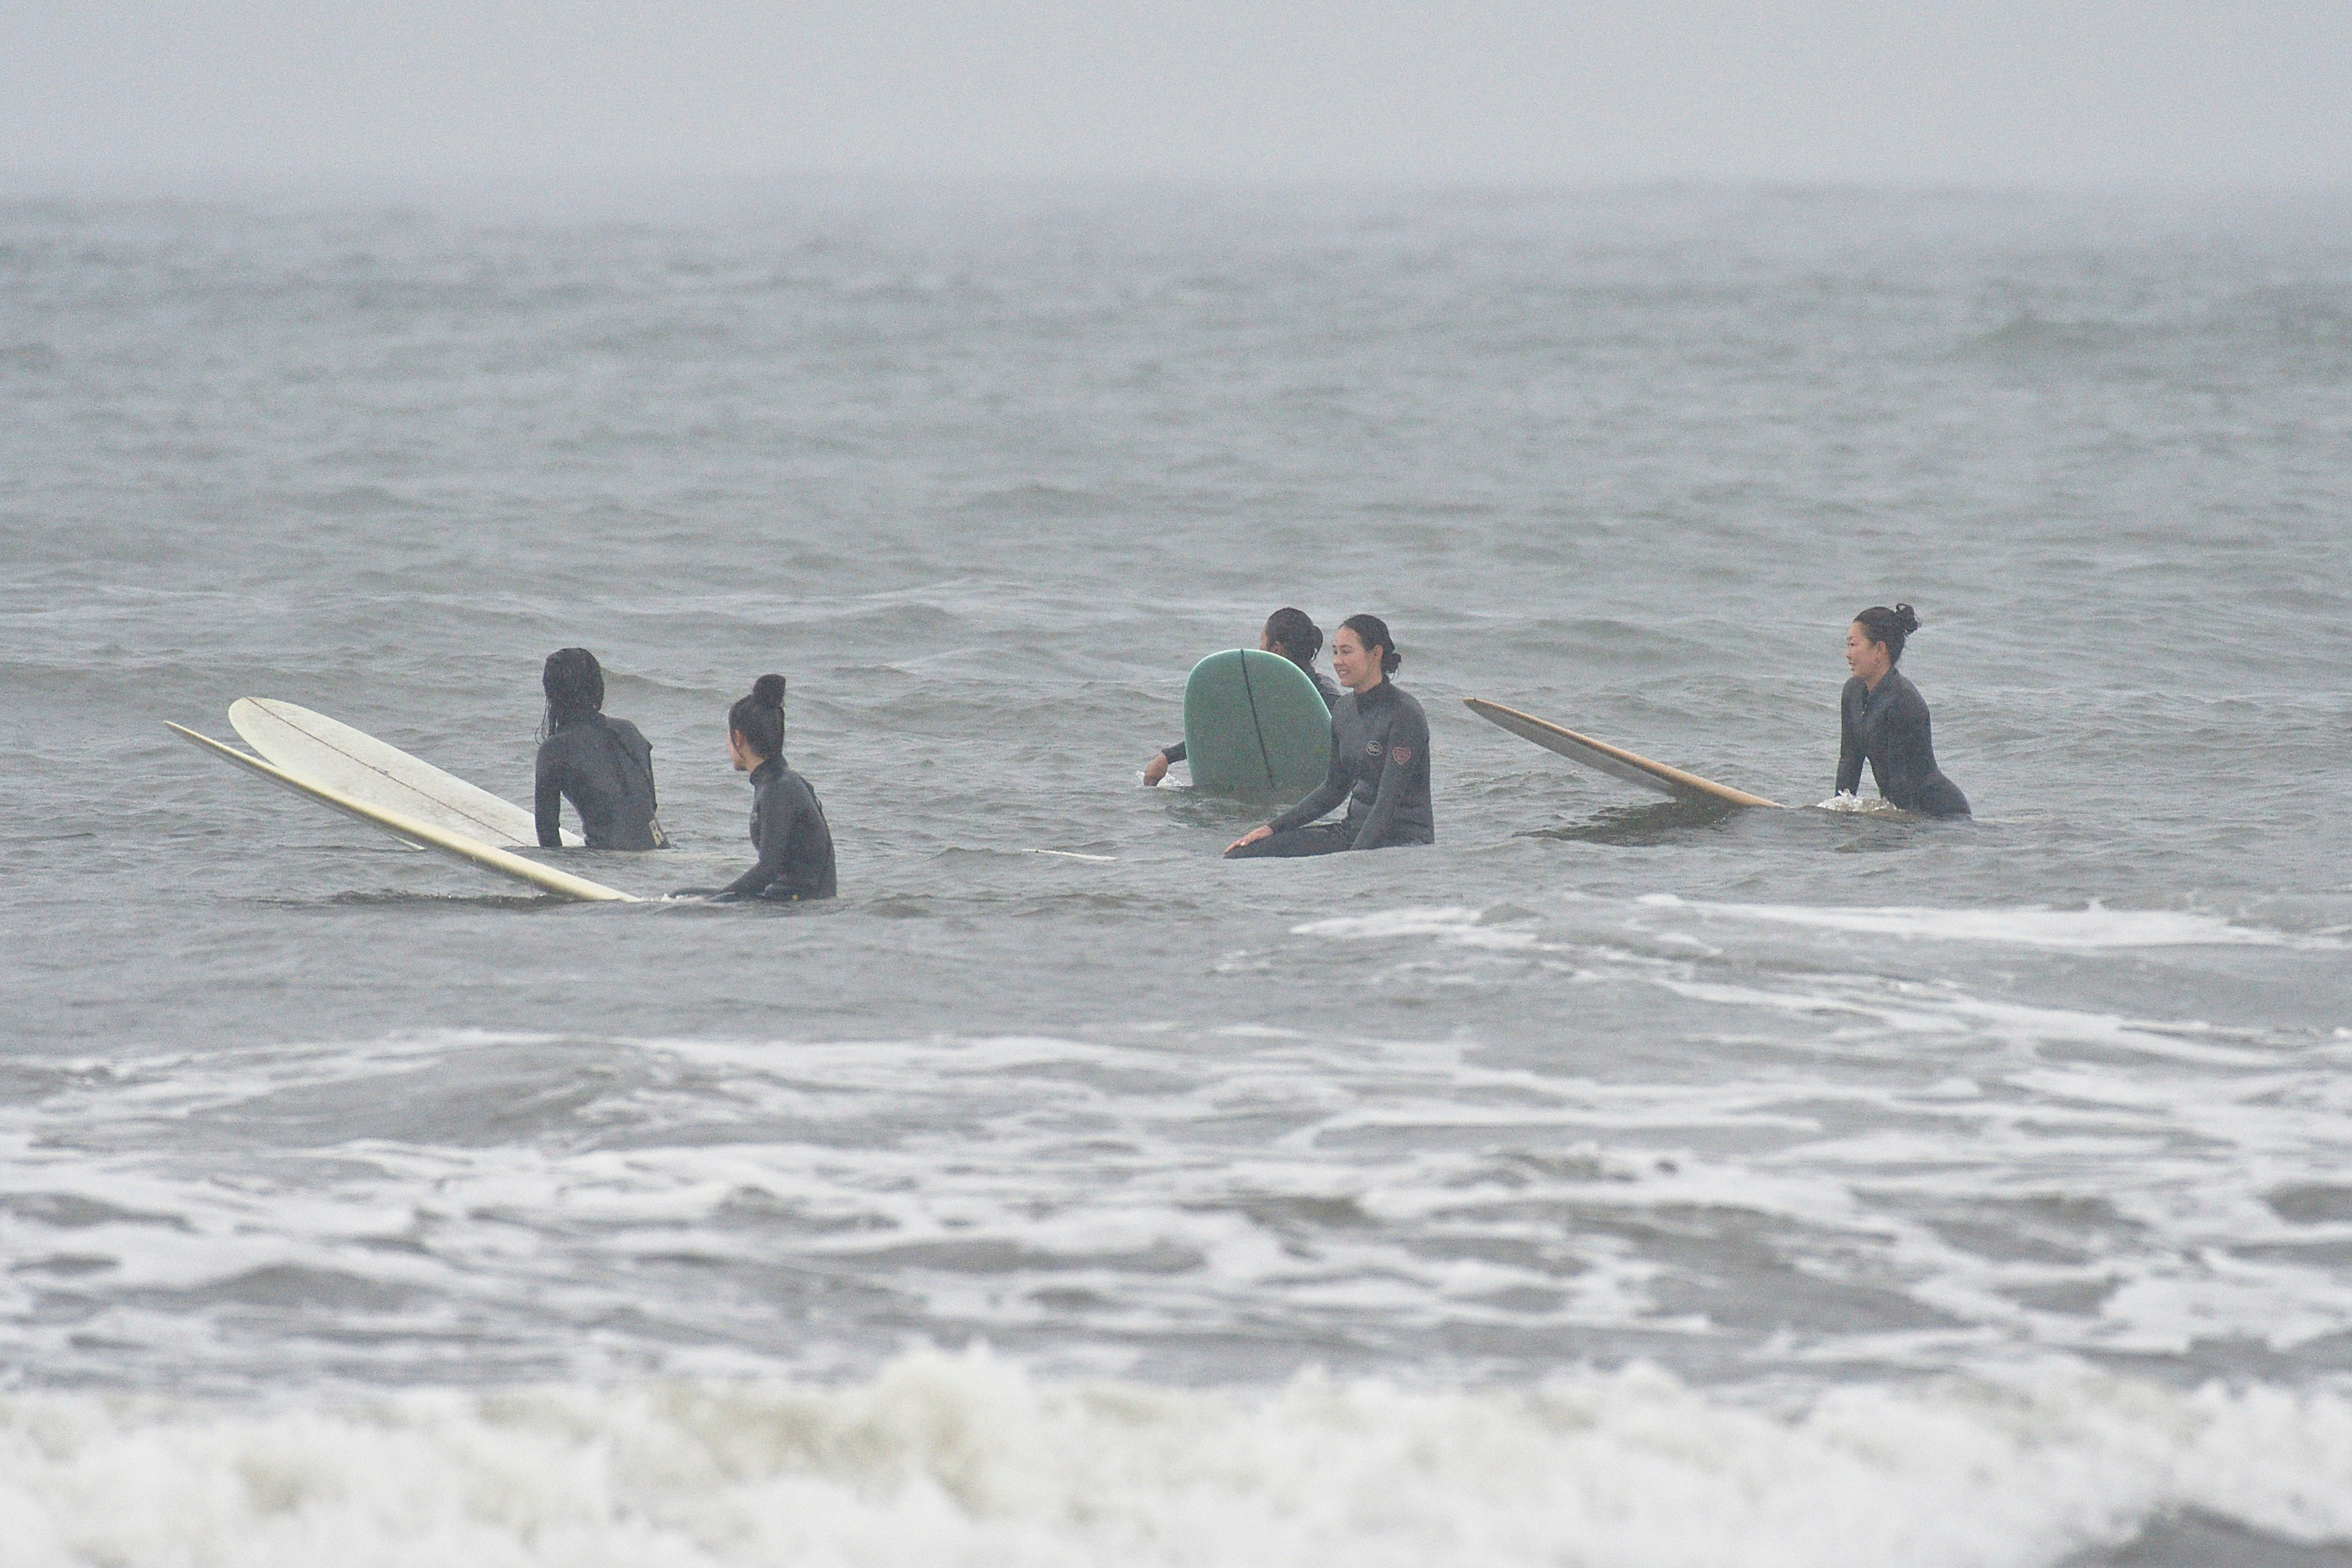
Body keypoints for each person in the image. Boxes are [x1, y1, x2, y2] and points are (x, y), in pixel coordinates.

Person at [1225, 614, 1434, 857]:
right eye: (1335, 652)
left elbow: (1387, 804)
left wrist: (1352, 860)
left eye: (1346, 652)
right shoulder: (1344, 710)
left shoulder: (1405, 715)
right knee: (1243, 854)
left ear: (1375, 654)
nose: (1337, 662)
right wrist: (1273, 828)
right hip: (1354, 833)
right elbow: (1334, 789)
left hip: (1403, 842)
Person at [675, 674, 836, 901]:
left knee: (692, 902)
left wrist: (717, 901)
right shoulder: (784, 782)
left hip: (799, 907)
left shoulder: (778, 790)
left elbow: (768, 869)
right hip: (792, 899)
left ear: (738, 738)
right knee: (683, 895)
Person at [1144, 607, 1344, 786]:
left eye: (1262, 642)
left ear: (1275, 649)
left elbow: (1227, 730)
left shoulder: (1320, 695)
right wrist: (1168, 756)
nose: (1259, 649)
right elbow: (1227, 729)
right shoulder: (1316, 691)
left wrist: (1167, 757)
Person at [1836, 604, 1970, 818]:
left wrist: (1890, 821)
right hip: (1903, 812)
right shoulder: (1852, 693)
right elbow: (1849, 762)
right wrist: (1837, 813)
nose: (1847, 654)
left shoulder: (1904, 701)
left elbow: (1902, 781)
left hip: (1942, 815)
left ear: (1880, 650)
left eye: (1853, 645)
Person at [533, 648, 668, 850]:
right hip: (661, 849)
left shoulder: (554, 751)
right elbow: (649, 806)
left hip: (609, 862)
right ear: (597, 687)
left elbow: (547, 834)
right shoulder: (629, 732)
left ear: (552, 694)